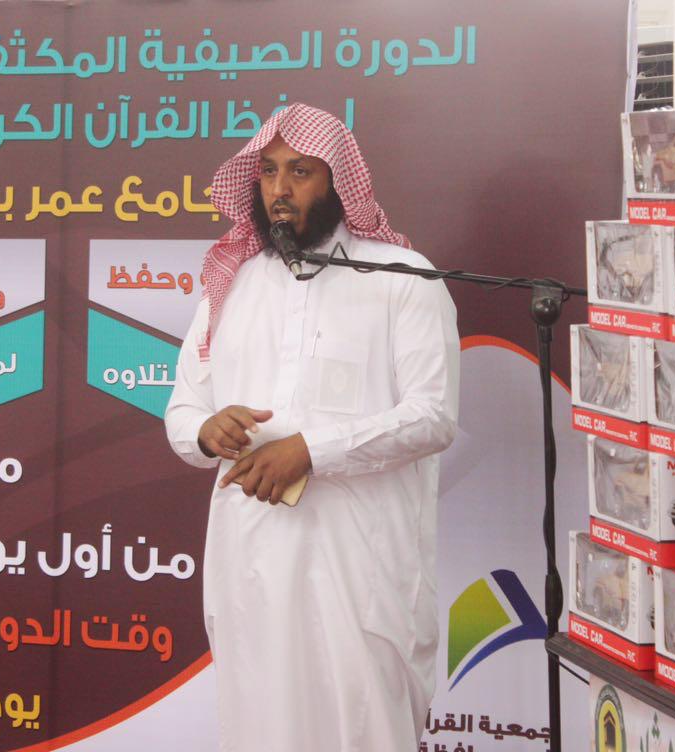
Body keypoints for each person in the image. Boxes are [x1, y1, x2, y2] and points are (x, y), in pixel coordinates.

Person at [164, 103, 460, 750]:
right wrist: (208, 430)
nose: (280, 188)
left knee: (362, 728)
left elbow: (433, 416)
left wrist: (311, 451)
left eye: (300, 171)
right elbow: (183, 412)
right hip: (251, 565)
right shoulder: (231, 286)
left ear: (337, 182)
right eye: (269, 171)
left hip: (359, 570)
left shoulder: (403, 280)